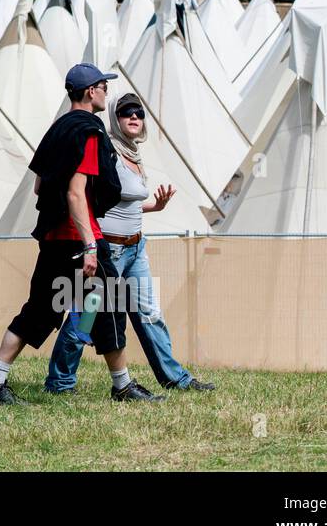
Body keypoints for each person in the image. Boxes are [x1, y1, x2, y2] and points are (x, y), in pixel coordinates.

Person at [0, 64, 166, 404]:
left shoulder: (58, 129)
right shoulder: (89, 132)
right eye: (104, 87)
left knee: (39, 309)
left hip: (53, 239)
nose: (106, 93)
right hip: (81, 238)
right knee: (111, 305)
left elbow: (39, 187)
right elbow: (77, 192)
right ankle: (122, 386)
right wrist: (90, 244)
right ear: (91, 91)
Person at [43, 92, 216, 395]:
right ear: (115, 118)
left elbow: (125, 203)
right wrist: (90, 247)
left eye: (138, 112)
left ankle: (175, 378)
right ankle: (60, 382)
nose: (134, 117)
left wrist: (154, 207)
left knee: (150, 314)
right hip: (108, 250)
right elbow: (88, 196)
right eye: (126, 112)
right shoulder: (106, 150)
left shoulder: (134, 154)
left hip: (136, 249)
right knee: (87, 316)